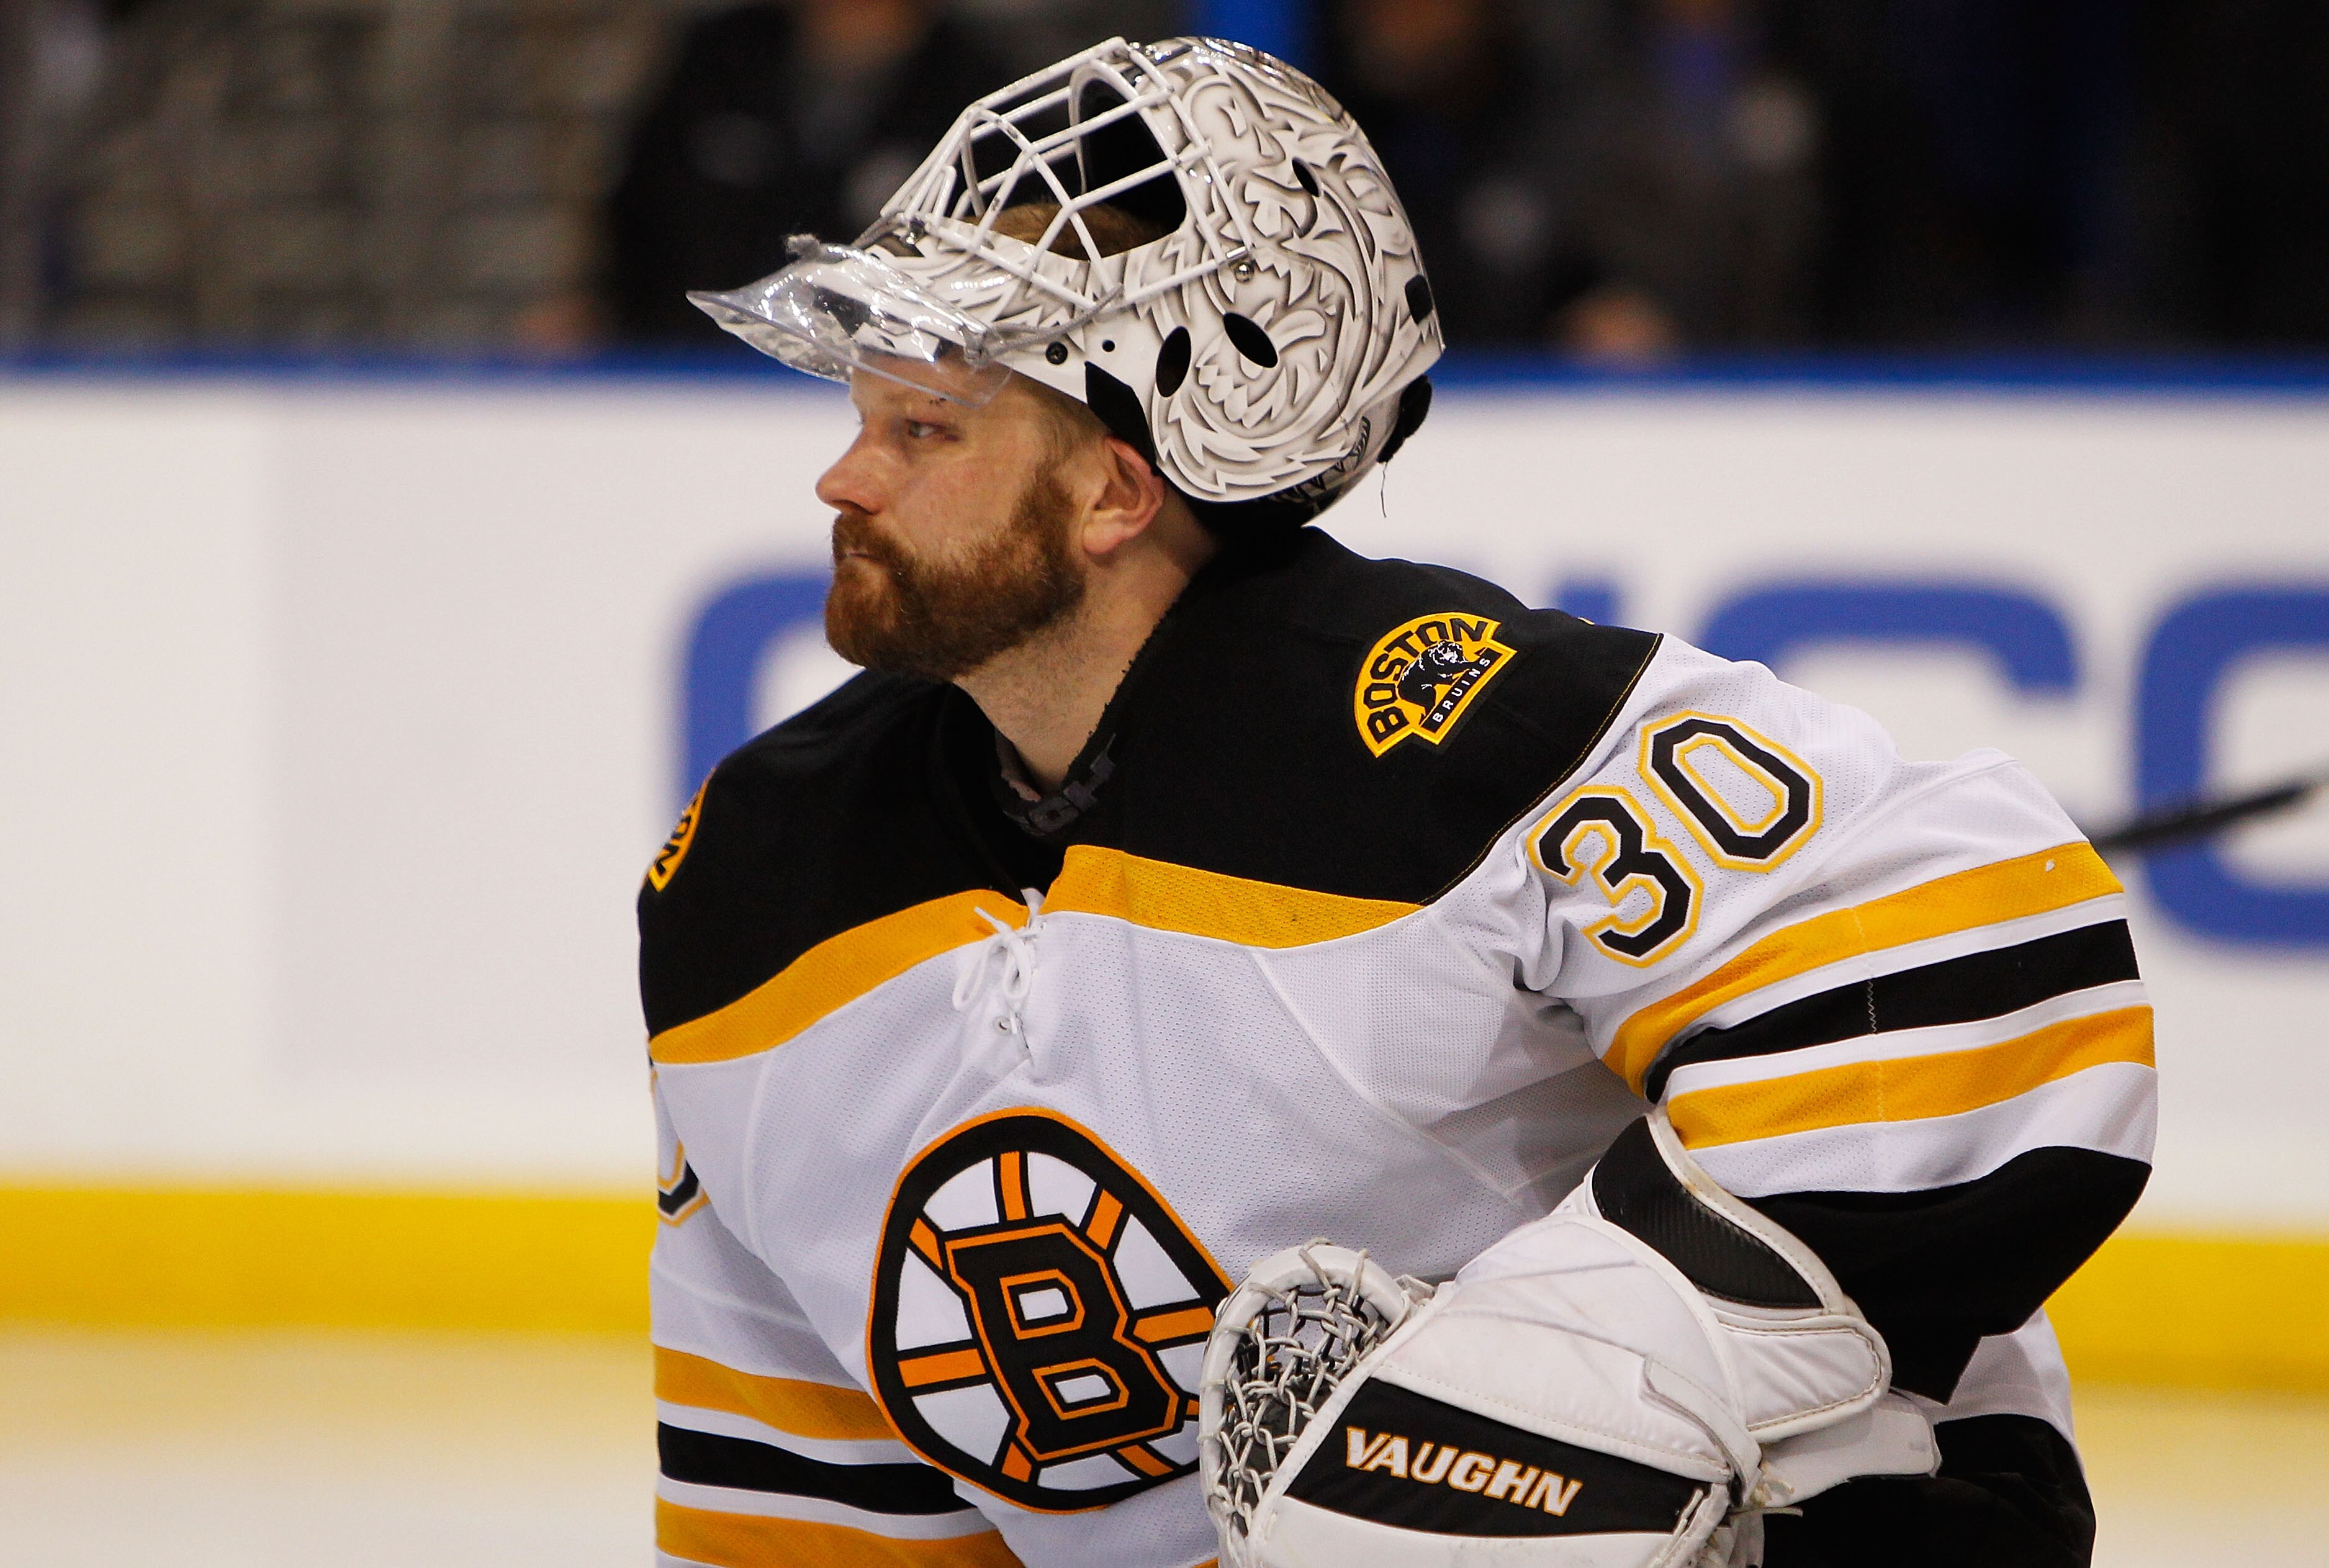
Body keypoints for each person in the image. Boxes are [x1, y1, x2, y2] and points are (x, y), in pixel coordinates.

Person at [638, 37, 2151, 1568]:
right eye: (861, 414)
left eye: (924, 431)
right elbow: (799, 1508)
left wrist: (1550, 1389)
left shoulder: (1449, 727)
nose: (843, 481)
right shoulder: (750, 891)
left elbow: (1991, 981)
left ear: (1113, 490)